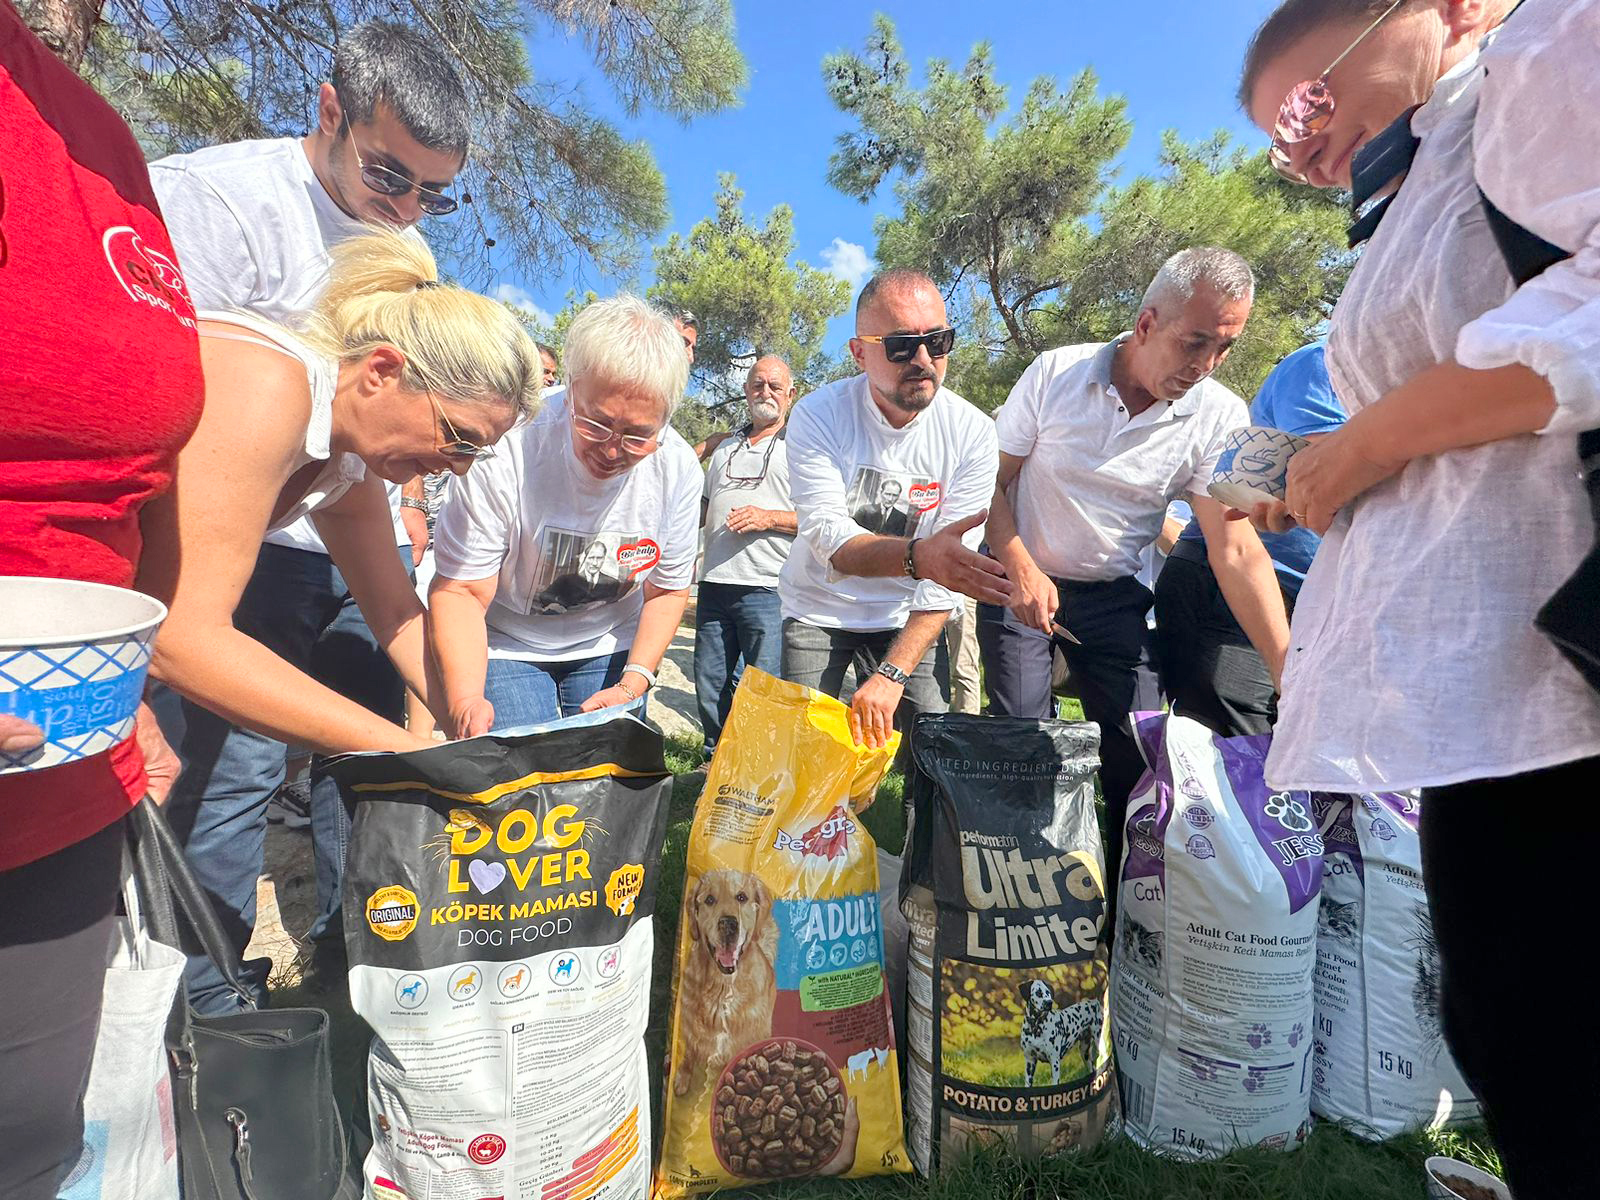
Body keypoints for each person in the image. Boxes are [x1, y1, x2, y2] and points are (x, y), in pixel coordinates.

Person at [1239, 2, 1599, 1195]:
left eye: (1304, 104)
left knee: (1540, 1033)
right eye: (1275, 140)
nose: (1298, 148)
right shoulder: (1433, 159)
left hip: (1561, 668)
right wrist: (1333, 482)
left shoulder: (1547, 46)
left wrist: (1362, 449)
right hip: (1495, 679)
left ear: (1441, 9)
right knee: (1510, 1026)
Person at [147, 19, 470, 973]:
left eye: (434, 195)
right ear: (328, 111)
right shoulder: (222, 206)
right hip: (203, 553)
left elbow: (365, 517)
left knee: (324, 782)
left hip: (321, 527)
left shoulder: (401, 260)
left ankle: (308, 972)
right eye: (388, 175)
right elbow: (149, 441)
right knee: (228, 780)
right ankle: (198, 1002)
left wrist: (456, 709)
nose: (406, 210)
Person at [145, 232, 538, 1013]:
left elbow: (394, 612)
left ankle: (197, 1007)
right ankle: (195, 1016)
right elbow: (182, 636)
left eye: (475, 457)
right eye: (458, 440)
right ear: (383, 370)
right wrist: (401, 750)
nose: (454, 469)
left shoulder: (352, 455)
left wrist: (463, 713)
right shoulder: (271, 383)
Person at [0, 4, 200, 1192]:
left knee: (31, 1145)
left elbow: (131, 473)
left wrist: (127, 684)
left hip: (62, 780)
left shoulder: (93, 135)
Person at [978, 247, 1289, 878]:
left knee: (1145, 762)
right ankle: (1027, 905)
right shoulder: (1054, 374)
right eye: (1193, 342)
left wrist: (1292, 672)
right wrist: (1019, 567)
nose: (1205, 366)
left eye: (1223, 348)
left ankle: (1125, 930)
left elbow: (1232, 547)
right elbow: (990, 486)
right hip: (1018, 579)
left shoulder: (1219, 414)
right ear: (1145, 324)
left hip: (1118, 597)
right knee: (1025, 745)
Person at [429, 296, 700, 733]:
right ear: (570, 387)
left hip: (610, 638)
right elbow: (461, 590)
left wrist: (634, 682)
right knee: (520, 779)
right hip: (506, 640)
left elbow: (667, 590)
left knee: (605, 776)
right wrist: (465, 700)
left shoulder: (679, 467)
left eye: (638, 436)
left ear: (665, 418)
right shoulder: (511, 445)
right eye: (594, 423)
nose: (612, 450)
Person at [780, 269, 1011, 750]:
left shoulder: (972, 432)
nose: (924, 360)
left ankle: (919, 827)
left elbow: (948, 570)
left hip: (912, 612)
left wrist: (892, 672)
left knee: (929, 759)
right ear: (860, 352)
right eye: (902, 345)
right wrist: (919, 557)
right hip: (819, 608)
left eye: (938, 341)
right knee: (806, 755)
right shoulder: (819, 415)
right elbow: (831, 540)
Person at [1156, 344, 1345, 736]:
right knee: (1236, 767)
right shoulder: (1327, 363)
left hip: (1321, 603)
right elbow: (1328, 482)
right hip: (1238, 593)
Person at [694, 356, 799, 757]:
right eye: (758, 384)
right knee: (710, 678)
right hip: (715, 583)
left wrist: (768, 517)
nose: (765, 392)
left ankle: (760, 763)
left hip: (768, 587)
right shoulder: (725, 448)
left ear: (791, 395)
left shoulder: (800, 447)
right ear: (745, 390)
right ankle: (715, 759)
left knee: (765, 684)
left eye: (775, 386)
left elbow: (823, 519)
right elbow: (703, 509)